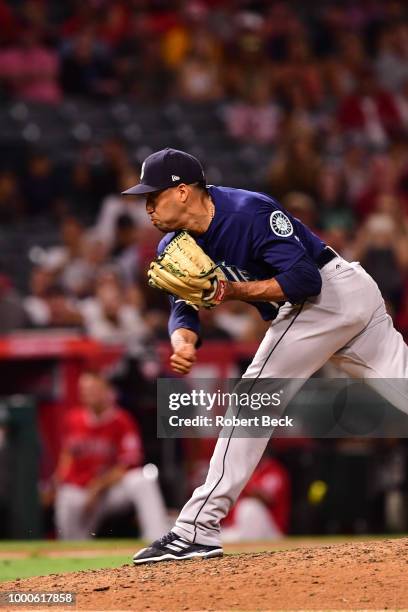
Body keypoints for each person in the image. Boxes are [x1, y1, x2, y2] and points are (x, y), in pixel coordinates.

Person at [124, 148, 408, 564]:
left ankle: (195, 528)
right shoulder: (173, 245)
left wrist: (232, 290)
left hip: (326, 297)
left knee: (252, 401)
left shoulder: (247, 211)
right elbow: (182, 306)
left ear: (182, 192)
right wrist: (184, 341)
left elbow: (305, 280)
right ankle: (196, 527)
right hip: (345, 301)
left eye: (153, 196)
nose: (146, 206)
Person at [54, 371, 168, 540]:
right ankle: (73, 552)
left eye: (93, 389)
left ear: (107, 391)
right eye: (85, 390)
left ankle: (158, 539)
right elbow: (67, 456)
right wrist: (57, 481)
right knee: (67, 502)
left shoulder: (122, 420)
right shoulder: (73, 419)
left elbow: (128, 463)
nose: (88, 394)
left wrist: (99, 485)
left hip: (108, 490)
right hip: (80, 490)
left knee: (142, 480)